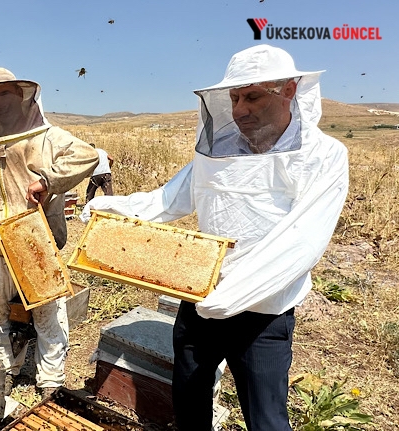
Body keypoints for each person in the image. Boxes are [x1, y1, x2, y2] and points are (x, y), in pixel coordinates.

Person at [82, 44, 349, 431]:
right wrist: (117, 207)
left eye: (253, 96)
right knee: (189, 402)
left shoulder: (322, 156)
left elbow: (302, 240)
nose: (240, 109)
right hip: (200, 295)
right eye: (235, 97)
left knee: (266, 419)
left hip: (263, 308)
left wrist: (233, 295)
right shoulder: (217, 151)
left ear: (289, 89)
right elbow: (170, 199)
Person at [0, 67, 98, 397]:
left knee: (47, 314)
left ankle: (50, 382)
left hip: (37, 242)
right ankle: (6, 371)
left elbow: (88, 155)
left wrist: (47, 182)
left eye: (5, 93)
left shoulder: (46, 137)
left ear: (20, 96)